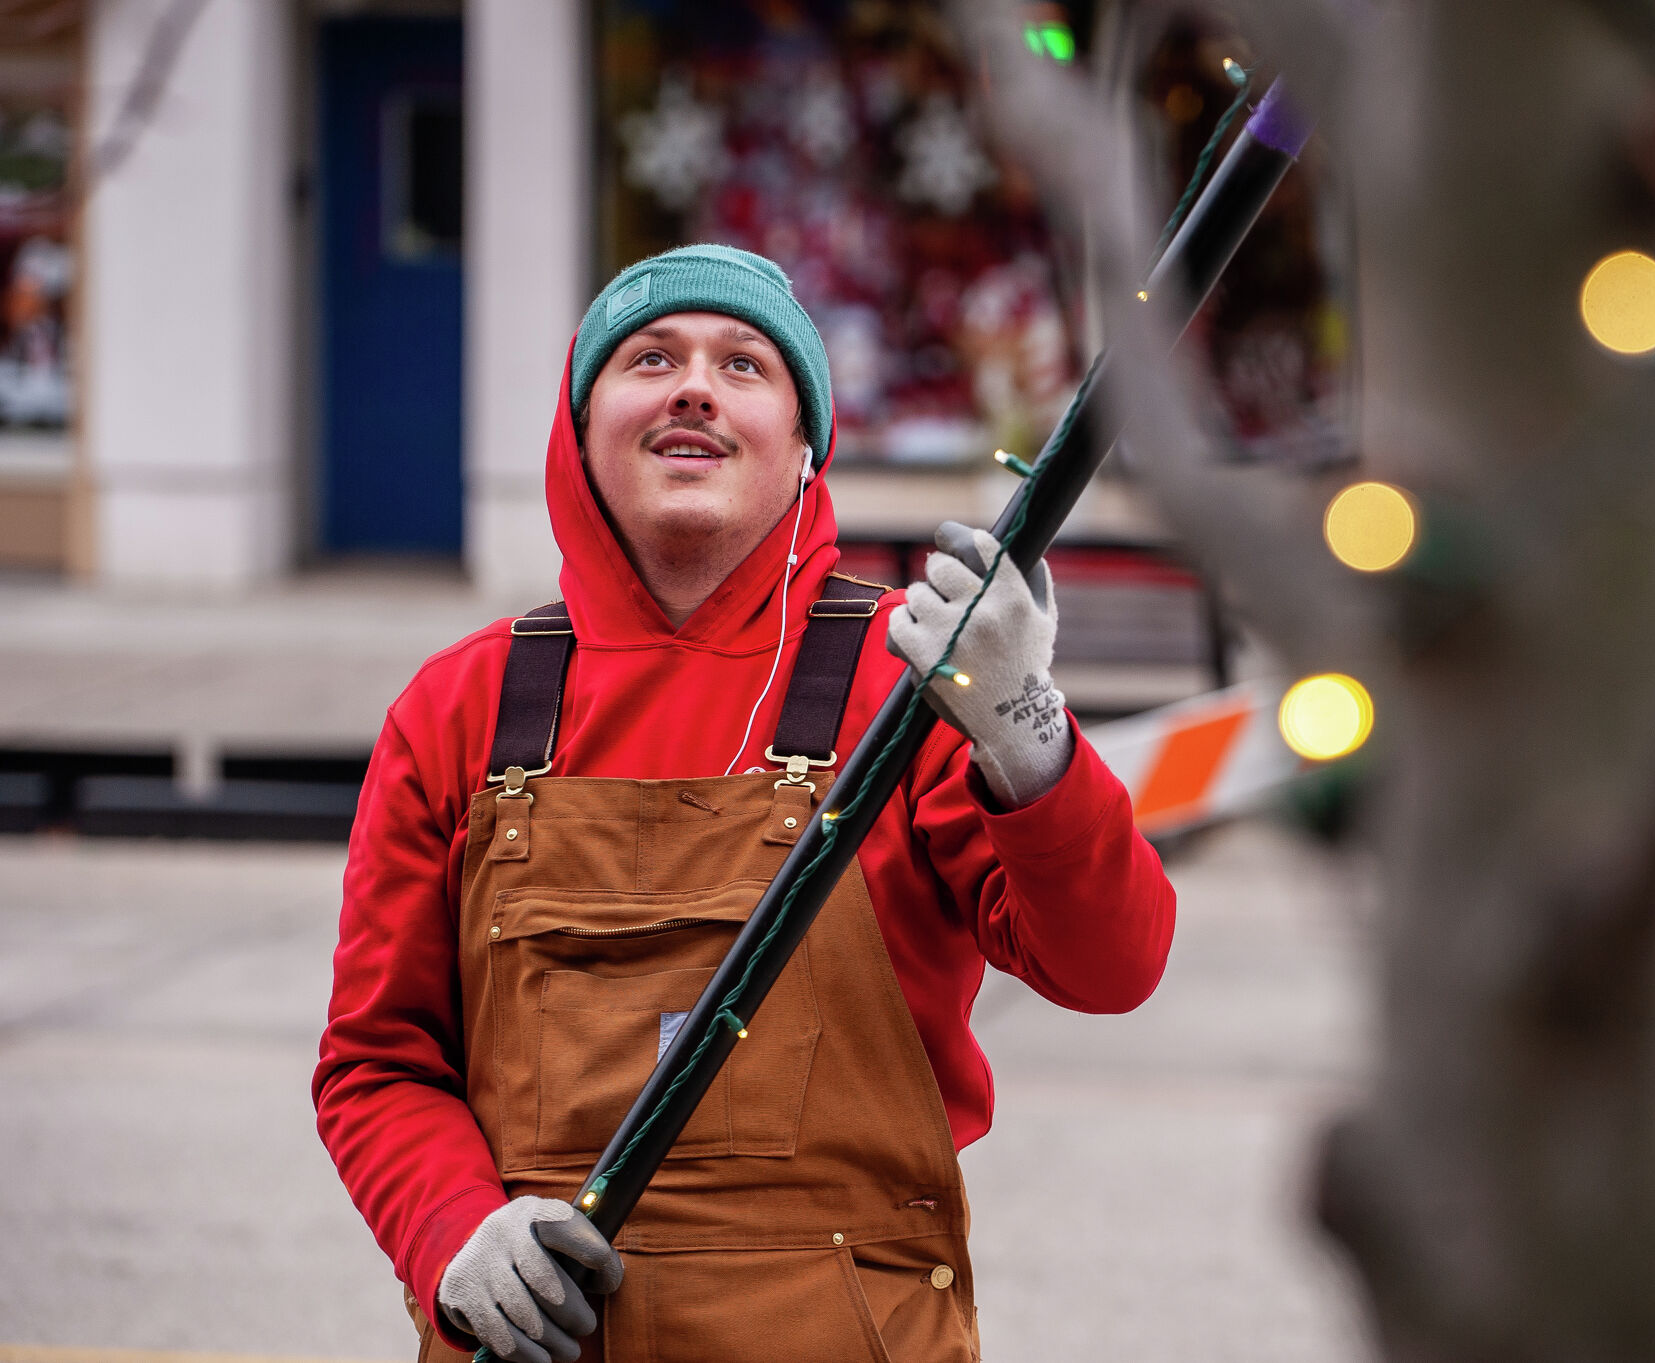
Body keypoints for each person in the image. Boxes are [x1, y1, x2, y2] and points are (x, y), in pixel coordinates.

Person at [313, 244, 1176, 1363]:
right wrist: (452, 1231)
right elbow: (376, 1060)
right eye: (650, 357)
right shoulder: (458, 705)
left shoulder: (909, 681)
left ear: (805, 446)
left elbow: (1113, 966)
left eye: (745, 364)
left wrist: (1025, 722)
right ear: (579, 432)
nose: (693, 386)